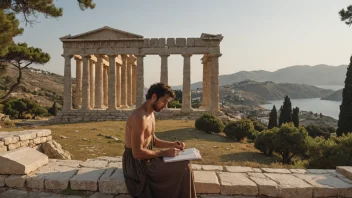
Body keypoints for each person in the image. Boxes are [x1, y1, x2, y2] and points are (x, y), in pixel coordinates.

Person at [122, 82, 197, 198]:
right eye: (164, 101)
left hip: (146, 158)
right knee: (184, 167)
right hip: (136, 165)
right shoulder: (139, 117)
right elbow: (137, 153)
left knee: (185, 163)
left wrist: (173, 145)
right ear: (154, 97)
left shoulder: (151, 114)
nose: (165, 105)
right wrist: (164, 153)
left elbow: (153, 140)